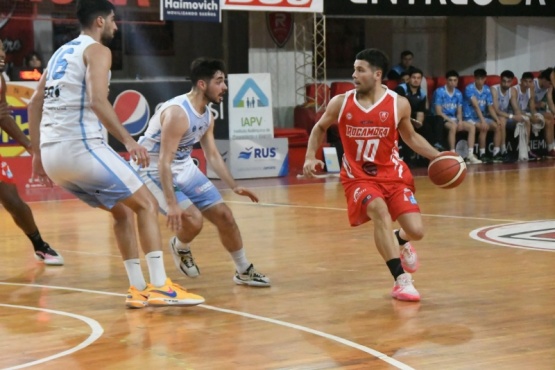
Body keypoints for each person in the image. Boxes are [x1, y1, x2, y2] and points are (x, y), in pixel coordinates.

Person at [27, 0, 204, 308]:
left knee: (122, 211)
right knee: (147, 204)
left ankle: (137, 288)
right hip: (80, 147)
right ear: (99, 21)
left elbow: (32, 105)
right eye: (112, 20)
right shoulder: (97, 50)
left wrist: (36, 154)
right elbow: (97, 100)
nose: (115, 26)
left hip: (54, 158)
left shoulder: (58, 54)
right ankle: (161, 286)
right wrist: (128, 141)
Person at [303, 48, 442, 302]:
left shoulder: (398, 103)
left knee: (417, 230)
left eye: (360, 70)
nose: (353, 74)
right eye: (354, 69)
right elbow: (320, 126)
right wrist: (310, 156)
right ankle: (401, 280)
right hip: (358, 177)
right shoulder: (341, 102)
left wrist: (438, 156)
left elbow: (410, 136)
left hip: (393, 174)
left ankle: (399, 239)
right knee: (379, 210)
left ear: (377, 74)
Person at [133, 58, 270, 287]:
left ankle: (243, 269)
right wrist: (172, 203)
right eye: (219, 81)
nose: (224, 87)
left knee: (225, 216)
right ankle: (181, 246)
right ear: (202, 85)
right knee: (194, 221)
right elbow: (164, 162)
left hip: (182, 166)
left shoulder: (207, 115)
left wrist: (233, 185)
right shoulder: (178, 113)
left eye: (224, 81)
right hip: (152, 169)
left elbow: (213, 155)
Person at [0, 42, 63, 265]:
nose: (2, 54)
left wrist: (30, 146)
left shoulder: (0, 80)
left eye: (3, 49)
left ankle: (40, 245)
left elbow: (3, 116)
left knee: (12, 199)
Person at [395, 67, 445, 166]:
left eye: (418, 78)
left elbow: (421, 112)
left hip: (414, 118)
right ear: (409, 78)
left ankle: (434, 150)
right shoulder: (401, 89)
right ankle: (407, 159)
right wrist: (408, 120)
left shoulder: (422, 93)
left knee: (434, 122)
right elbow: (395, 107)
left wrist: (419, 123)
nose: (416, 80)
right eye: (414, 77)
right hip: (400, 118)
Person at [433, 70, 481, 164]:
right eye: (450, 80)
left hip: (454, 119)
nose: (453, 82)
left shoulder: (458, 93)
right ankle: (452, 153)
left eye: (455, 80)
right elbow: (439, 112)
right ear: (446, 81)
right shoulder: (439, 92)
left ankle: (470, 155)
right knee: (453, 126)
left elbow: (459, 111)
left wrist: (459, 121)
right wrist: (452, 121)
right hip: (442, 119)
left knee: (471, 127)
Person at [462, 68, 502, 163]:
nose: (480, 81)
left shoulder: (487, 90)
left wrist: (496, 119)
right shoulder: (469, 88)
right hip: (470, 117)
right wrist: (483, 121)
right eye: (478, 79)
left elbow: (490, 107)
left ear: (485, 79)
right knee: (484, 127)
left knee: (498, 126)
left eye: (482, 79)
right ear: (474, 79)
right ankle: (482, 153)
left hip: (482, 117)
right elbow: (476, 106)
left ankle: (496, 153)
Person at [510, 72, 542, 160]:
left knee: (541, 118)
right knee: (527, 120)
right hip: (512, 114)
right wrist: (530, 118)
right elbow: (516, 110)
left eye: (530, 82)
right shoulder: (514, 89)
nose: (527, 84)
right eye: (525, 81)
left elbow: (532, 106)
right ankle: (526, 149)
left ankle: (550, 148)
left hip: (524, 112)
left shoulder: (531, 89)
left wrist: (534, 116)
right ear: (521, 81)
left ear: (532, 82)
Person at [490, 70, 518, 162]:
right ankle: (502, 149)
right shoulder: (494, 89)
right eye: (504, 81)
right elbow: (496, 110)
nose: (506, 84)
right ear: (500, 80)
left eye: (508, 81)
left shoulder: (513, 91)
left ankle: (525, 150)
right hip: (492, 116)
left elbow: (516, 108)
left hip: (506, 116)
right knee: (502, 120)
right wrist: (512, 116)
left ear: (512, 81)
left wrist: (520, 116)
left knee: (524, 121)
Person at [531, 68, 555, 158]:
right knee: (547, 120)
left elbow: (550, 102)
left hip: (536, 110)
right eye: (549, 83)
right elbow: (530, 103)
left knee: (550, 118)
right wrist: (537, 105)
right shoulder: (533, 84)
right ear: (544, 79)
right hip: (526, 110)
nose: (550, 86)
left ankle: (551, 149)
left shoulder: (548, 86)